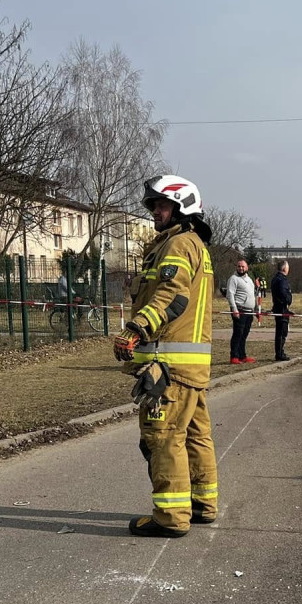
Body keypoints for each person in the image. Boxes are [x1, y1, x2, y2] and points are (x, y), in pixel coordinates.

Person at [113, 174, 217, 538]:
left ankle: (171, 517)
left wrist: (136, 328)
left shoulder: (176, 247)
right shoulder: (196, 247)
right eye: (154, 205)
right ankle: (204, 504)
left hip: (169, 367)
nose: (155, 212)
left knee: (163, 437)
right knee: (194, 435)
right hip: (192, 367)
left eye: (161, 205)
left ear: (182, 206)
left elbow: (172, 296)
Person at [226, 259, 256, 364]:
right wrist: (234, 309)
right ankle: (234, 356)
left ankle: (242, 356)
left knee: (244, 334)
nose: (241, 268)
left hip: (249, 311)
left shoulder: (249, 280)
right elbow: (230, 294)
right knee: (238, 334)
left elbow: (252, 295)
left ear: (247, 268)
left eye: (243, 266)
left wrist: (255, 310)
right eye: (239, 266)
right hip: (240, 310)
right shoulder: (233, 279)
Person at [271, 260, 293, 360]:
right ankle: (279, 353)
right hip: (282, 309)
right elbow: (284, 294)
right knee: (282, 332)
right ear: (284, 268)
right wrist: (288, 300)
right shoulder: (282, 280)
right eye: (288, 267)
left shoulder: (275, 278)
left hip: (277, 307)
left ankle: (279, 352)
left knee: (279, 331)